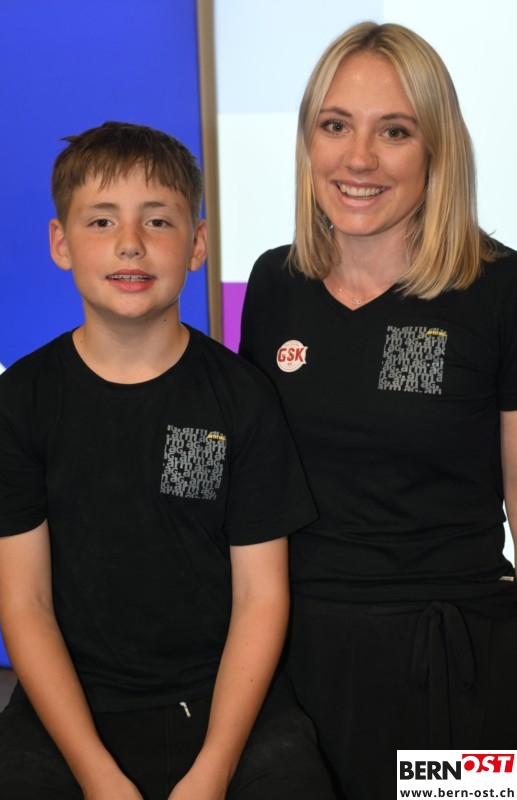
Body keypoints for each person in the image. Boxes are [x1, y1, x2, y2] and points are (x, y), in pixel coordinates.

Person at [0, 122, 337, 800]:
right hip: (71, 708)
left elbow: (260, 598)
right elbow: (24, 602)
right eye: (101, 220)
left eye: (157, 220)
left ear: (197, 244)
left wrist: (214, 769)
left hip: (224, 702)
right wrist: (96, 775)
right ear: (60, 242)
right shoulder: (22, 401)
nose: (130, 243)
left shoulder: (242, 398)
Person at [239, 21, 517, 800]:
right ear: (308, 141)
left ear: (436, 149)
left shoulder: (498, 290)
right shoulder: (273, 284)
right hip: (292, 660)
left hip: (455, 668)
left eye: (393, 131)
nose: (357, 159)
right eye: (335, 126)